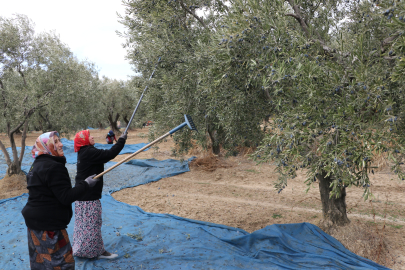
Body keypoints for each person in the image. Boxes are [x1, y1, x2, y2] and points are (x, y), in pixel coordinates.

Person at [21, 131, 99, 270]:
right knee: (63, 264)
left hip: (33, 223)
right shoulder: (54, 167)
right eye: (56, 142)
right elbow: (66, 197)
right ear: (47, 145)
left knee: (40, 263)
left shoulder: (36, 165)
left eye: (59, 140)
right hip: (49, 225)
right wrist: (86, 184)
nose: (61, 144)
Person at [72, 129, 127, 259]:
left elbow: (104, 156)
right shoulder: (89, 152)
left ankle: (83, 249)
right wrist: (122, 140)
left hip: (82, 196)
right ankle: (94, 252)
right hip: (88, 197)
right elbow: (110, 154)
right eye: (89, 136)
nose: (92, 137)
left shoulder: (84, 152)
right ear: (83, 140)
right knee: (92, 225)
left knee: (85, 226)